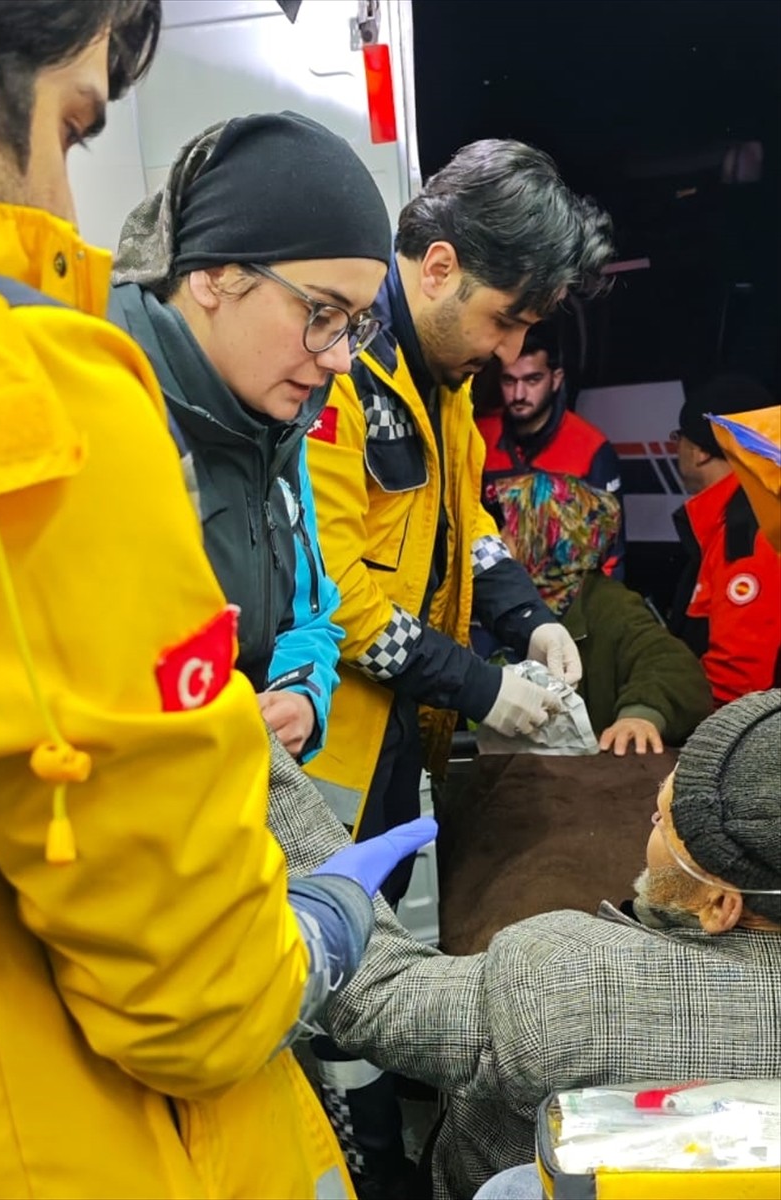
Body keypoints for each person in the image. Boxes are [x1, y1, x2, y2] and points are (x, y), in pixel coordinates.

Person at [0, 4, 431, 1197]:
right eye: (71, 126)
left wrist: (293, 684)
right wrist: (320, 927)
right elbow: (197, 999)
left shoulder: (275, 443)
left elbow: (307, 598)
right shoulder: (45, 404)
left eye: (358, 325)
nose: (57, 203)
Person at [300, 138, 613, 1194]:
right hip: (327, 754)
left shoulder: (446, 379)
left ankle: (384, 1128)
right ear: (438, 267)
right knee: (335, 969)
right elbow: (333, 589)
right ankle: (363, 1164)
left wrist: (526, 620)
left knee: (384, 952)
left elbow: (463, 523)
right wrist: (485, 689)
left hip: (401, 732)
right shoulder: (344, 374)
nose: (511, 343)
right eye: (507, 317)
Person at [290, 690, 780, 1200]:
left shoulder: (567, 983)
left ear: (721, 906)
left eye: (668, 822)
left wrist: (328, 887)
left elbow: (374, 997)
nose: (653, 818)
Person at [109, 112, 392, 761]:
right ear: (213, 273)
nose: (342, 359)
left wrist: (302, 697)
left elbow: (310, 615)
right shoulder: (102, 414)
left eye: (354, 322)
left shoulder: (277, 422)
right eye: (320, 312)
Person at [486, 482, 712, 753]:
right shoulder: (483, 598)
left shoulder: (608, 605)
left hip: (571, 781)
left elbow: (673, 667)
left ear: (547, 536)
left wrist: (640, 716)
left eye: (510, 530)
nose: (497, 539)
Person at [476, 322, 625, 577]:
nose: (519, 394)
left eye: (532, 380)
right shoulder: (478, 437)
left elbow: (611, 553)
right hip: (493, 590)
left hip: (568, 598)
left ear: (556, 379)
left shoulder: (590, 447)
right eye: (509, 381)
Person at [668, 374, 781, 705]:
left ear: (700, 451)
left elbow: (738, 681)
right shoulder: (733, 520)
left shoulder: (750, 530)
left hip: (738, 741)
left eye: (678, 437)